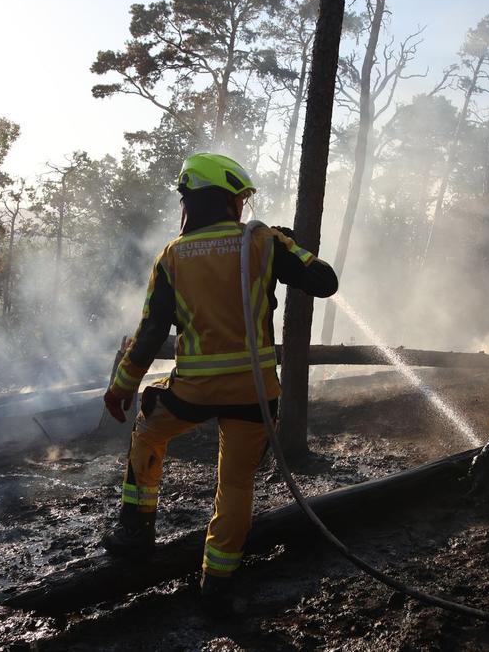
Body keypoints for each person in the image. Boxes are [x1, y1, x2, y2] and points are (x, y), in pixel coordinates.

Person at [101, 152, 338, 614]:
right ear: (226, 198)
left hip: (192, 392)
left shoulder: (172, 256)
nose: (243, 207)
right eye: (240, 199)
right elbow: (324, 281)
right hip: (255, 393)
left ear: (191, 199)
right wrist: (289, 246)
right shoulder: (262, 242)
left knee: (148, 432)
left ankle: (135, 531)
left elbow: (151, 332)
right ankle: (218, 583)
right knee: (236, 485)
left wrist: (121, 388)